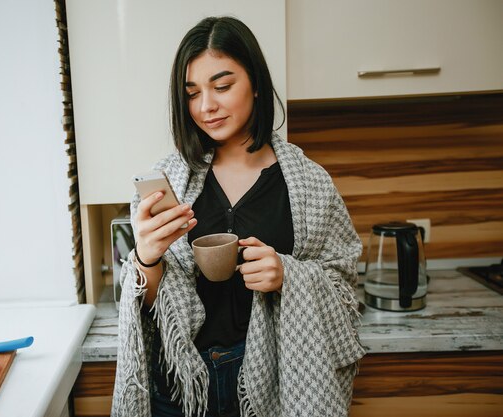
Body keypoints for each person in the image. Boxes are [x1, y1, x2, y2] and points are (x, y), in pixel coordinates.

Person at [112, 16, 365, 417]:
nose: (206, 106)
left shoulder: (310, 184)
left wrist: (288, 276)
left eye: (223, 86)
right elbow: (152, 307)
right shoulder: (167, 184)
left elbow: (348, 292)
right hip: (180, 385)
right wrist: (146, 258)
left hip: (277, 380)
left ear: (257, 84)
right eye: (192, 93)